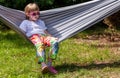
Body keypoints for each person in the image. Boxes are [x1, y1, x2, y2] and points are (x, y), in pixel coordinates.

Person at [19, 3, 59, 74]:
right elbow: (21, 32)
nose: (37, 15)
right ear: (27, 14)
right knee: (40, 45)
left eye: (38, 13)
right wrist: (26, 38)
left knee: (55, 42)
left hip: (43, 36)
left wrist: (52, 37)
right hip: (34, 37)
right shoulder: (25, 22)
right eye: (34, 14)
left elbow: (45, 31)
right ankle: (43, 64)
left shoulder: (41, 22)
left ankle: (49, 65)